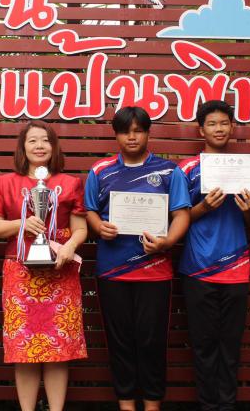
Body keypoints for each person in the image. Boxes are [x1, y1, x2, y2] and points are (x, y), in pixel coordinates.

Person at [84, 106, 191, 411]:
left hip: (155, 271)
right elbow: (90, 210)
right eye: (125, 131)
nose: (131, 137)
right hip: (112, 272)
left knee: (152, 341)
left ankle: (153, 404)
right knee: (119, 341)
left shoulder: (169, 171)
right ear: (116, 135)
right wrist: (98, 226)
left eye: (138, 130)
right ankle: (127, 404)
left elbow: (181, 214)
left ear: (147, 133)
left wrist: (167, 241)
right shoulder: (100, 171)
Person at [0, 120, 87, 411]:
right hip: (19, 273)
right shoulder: (5, 182)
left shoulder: (70, 183)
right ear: (23, 147)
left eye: (45, 140)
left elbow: (80, 229)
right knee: (24, 349)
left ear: (54, 146)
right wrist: (22, 223)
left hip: (60, 271)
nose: (39, 146)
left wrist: (69, 247)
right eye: (32, 140)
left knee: (58, 349)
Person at [177, 101, 250, 411]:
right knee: (203, 345)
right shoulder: (186, 169)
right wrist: (204, 207)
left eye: (224, 123)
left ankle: (227, 405)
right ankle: (208, 405)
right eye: (212, 124)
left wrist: (249, 210)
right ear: (201, 130)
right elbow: (177, 220)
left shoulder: (244, 168)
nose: (219, 129)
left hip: (236, 269)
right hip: (198, 269)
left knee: (230, 345)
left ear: (232, 127)